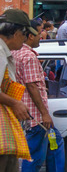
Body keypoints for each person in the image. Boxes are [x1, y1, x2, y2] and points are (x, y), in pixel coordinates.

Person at [7, 10, 50, 172]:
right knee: (34, 159)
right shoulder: (29, 57)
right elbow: (32, 86)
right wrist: (44, 113)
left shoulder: (14, 52)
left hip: (24, 112)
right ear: (30, 36)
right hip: (35, 116)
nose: (42, 37)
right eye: (39, 34)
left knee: (52, 145)